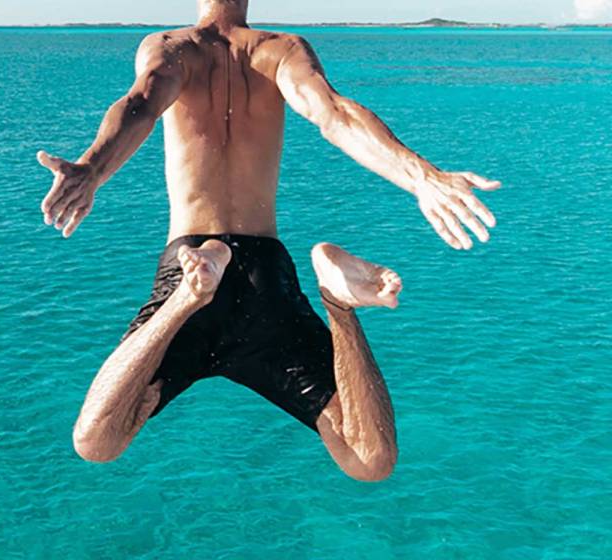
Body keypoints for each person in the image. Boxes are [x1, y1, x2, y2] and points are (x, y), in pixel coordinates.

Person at [35, 0, 500, 482]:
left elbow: (141, 105)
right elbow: (334, 115)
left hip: (192, 262)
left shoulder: (172, 49)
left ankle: (189, 298)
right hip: (265, 273)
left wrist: (93, 168)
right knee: (371, 460)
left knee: (97, 439)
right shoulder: (280, 51)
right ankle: (337, 303)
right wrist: (420, 176)